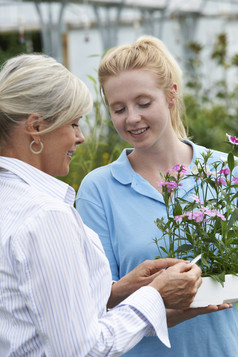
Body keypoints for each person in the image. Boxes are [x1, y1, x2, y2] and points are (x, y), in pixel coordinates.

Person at [0, 53, 212, 357]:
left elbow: (29, 307)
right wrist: (154, 296)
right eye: (73, 123)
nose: (81, 136)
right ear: (35, 128)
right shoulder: (45, 215)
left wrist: (116, 291)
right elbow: (81, 349)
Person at [76, 36, 238, 357]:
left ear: (171, 95)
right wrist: (159, 309)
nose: (132, 118)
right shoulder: (98, 189)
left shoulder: (224, 171)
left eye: (144, 103)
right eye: (118, 108)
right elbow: (92, 301)